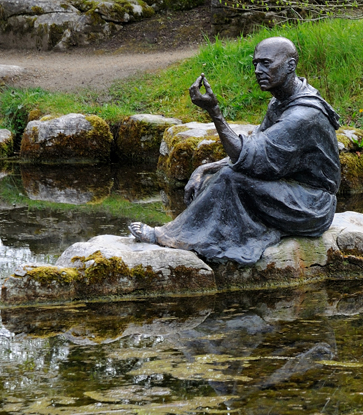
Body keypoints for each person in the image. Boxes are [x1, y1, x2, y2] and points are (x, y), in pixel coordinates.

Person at [128, 36, 342, 264]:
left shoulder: (304, 115)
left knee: (231, 178)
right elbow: (256, 148)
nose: (258, 70)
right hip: (292, 191)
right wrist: (206, 168)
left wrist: (214, 112)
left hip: (312, 206)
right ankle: (204, 235)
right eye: (255, 64)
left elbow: (249, 156)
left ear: (290, 65)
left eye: (266, 63)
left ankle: (168, 235)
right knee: (217, 175)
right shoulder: (281, 102)